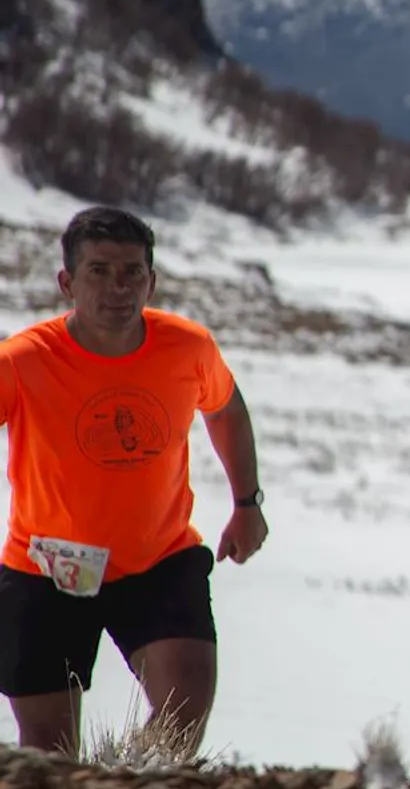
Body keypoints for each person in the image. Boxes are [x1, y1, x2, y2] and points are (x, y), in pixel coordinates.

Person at [0, 206, 267, 758]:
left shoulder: (186, 347)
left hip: (158, 561)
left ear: (152, 280)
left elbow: (224, 407)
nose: (117, 288)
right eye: (99, 271)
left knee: (183, 712)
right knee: (49, 754)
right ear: (67, 282)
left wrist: (246, 503)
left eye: (131, 272)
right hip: (47, 568)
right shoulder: (24, 361)